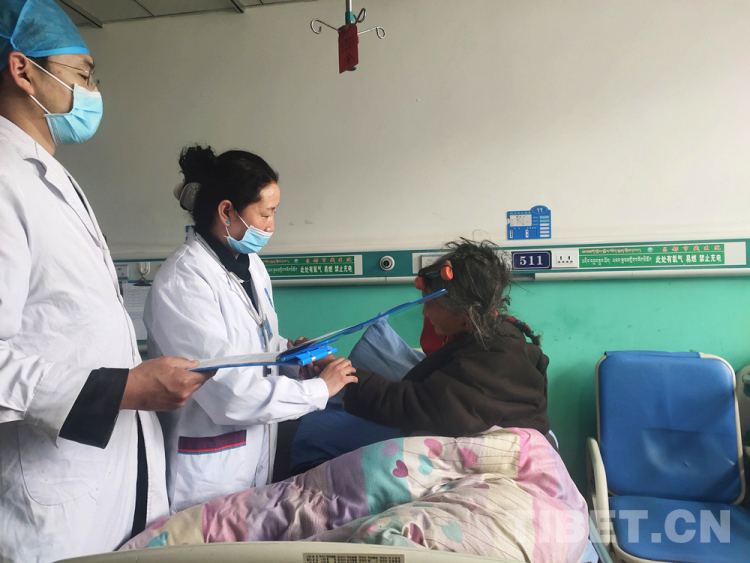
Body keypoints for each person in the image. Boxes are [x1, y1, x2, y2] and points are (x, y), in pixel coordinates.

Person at [0, 2, 214, 561]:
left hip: (109, 475)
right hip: (50, 497)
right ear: (23, 70)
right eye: (83, 73)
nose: (93, 92)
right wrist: (125, 389)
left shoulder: (45, 174)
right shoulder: (3, 180)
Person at [144, 145, 358, 513]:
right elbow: (228, 393)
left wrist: (291, 357)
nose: (271, 226)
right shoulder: (183, 281)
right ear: (227, 211)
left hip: (252, 455)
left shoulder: (250, 265)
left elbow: (255, 343)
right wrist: (318, 390)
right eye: (266, 213)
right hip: (207, 471)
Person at [344, 239, 552, 441]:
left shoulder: (499, 355)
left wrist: (345, 378)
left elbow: (419, 405)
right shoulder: (485, 337)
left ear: (464, 310)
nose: (424, 312)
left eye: (430, 304)